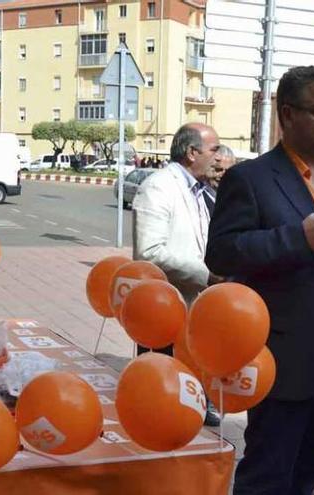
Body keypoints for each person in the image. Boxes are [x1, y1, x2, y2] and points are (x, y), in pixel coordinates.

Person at [206, 66, 314, 494]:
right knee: (267, 473)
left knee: (312, 467)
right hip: (282, 356)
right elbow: (222, 253)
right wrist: (297, 238)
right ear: (287, 115)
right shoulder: (251, 178)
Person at [132, 123, 224, 425]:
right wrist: (207, 275)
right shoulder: (159, 186)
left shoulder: (203, 189)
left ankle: (190, 409)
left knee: (189, 370)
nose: (220, 158)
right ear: (191, 152)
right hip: (162, 307)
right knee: (159, 384)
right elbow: (150, 252)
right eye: (214, 150)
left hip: (195, 304)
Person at [202, 144, 236, 212]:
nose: (223, 175)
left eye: (228, 171)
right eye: (218, 170)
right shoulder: (198, 197)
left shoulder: (236, 199)